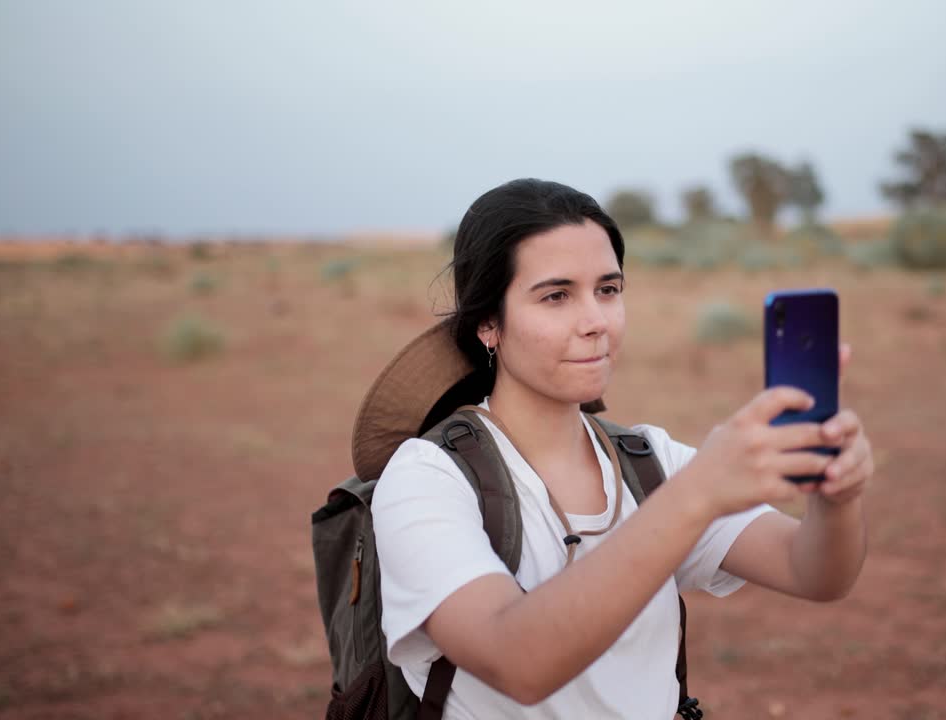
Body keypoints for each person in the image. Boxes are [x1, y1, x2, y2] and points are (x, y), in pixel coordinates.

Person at [361, 178, 874, 718]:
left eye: (608, 289)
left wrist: (837, 496)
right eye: (556, 296)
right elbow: (517, 662)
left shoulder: (649, 461)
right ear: (488, 321)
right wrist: (697, 496)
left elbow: (814, 572)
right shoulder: (427, 477)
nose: (595, 322)